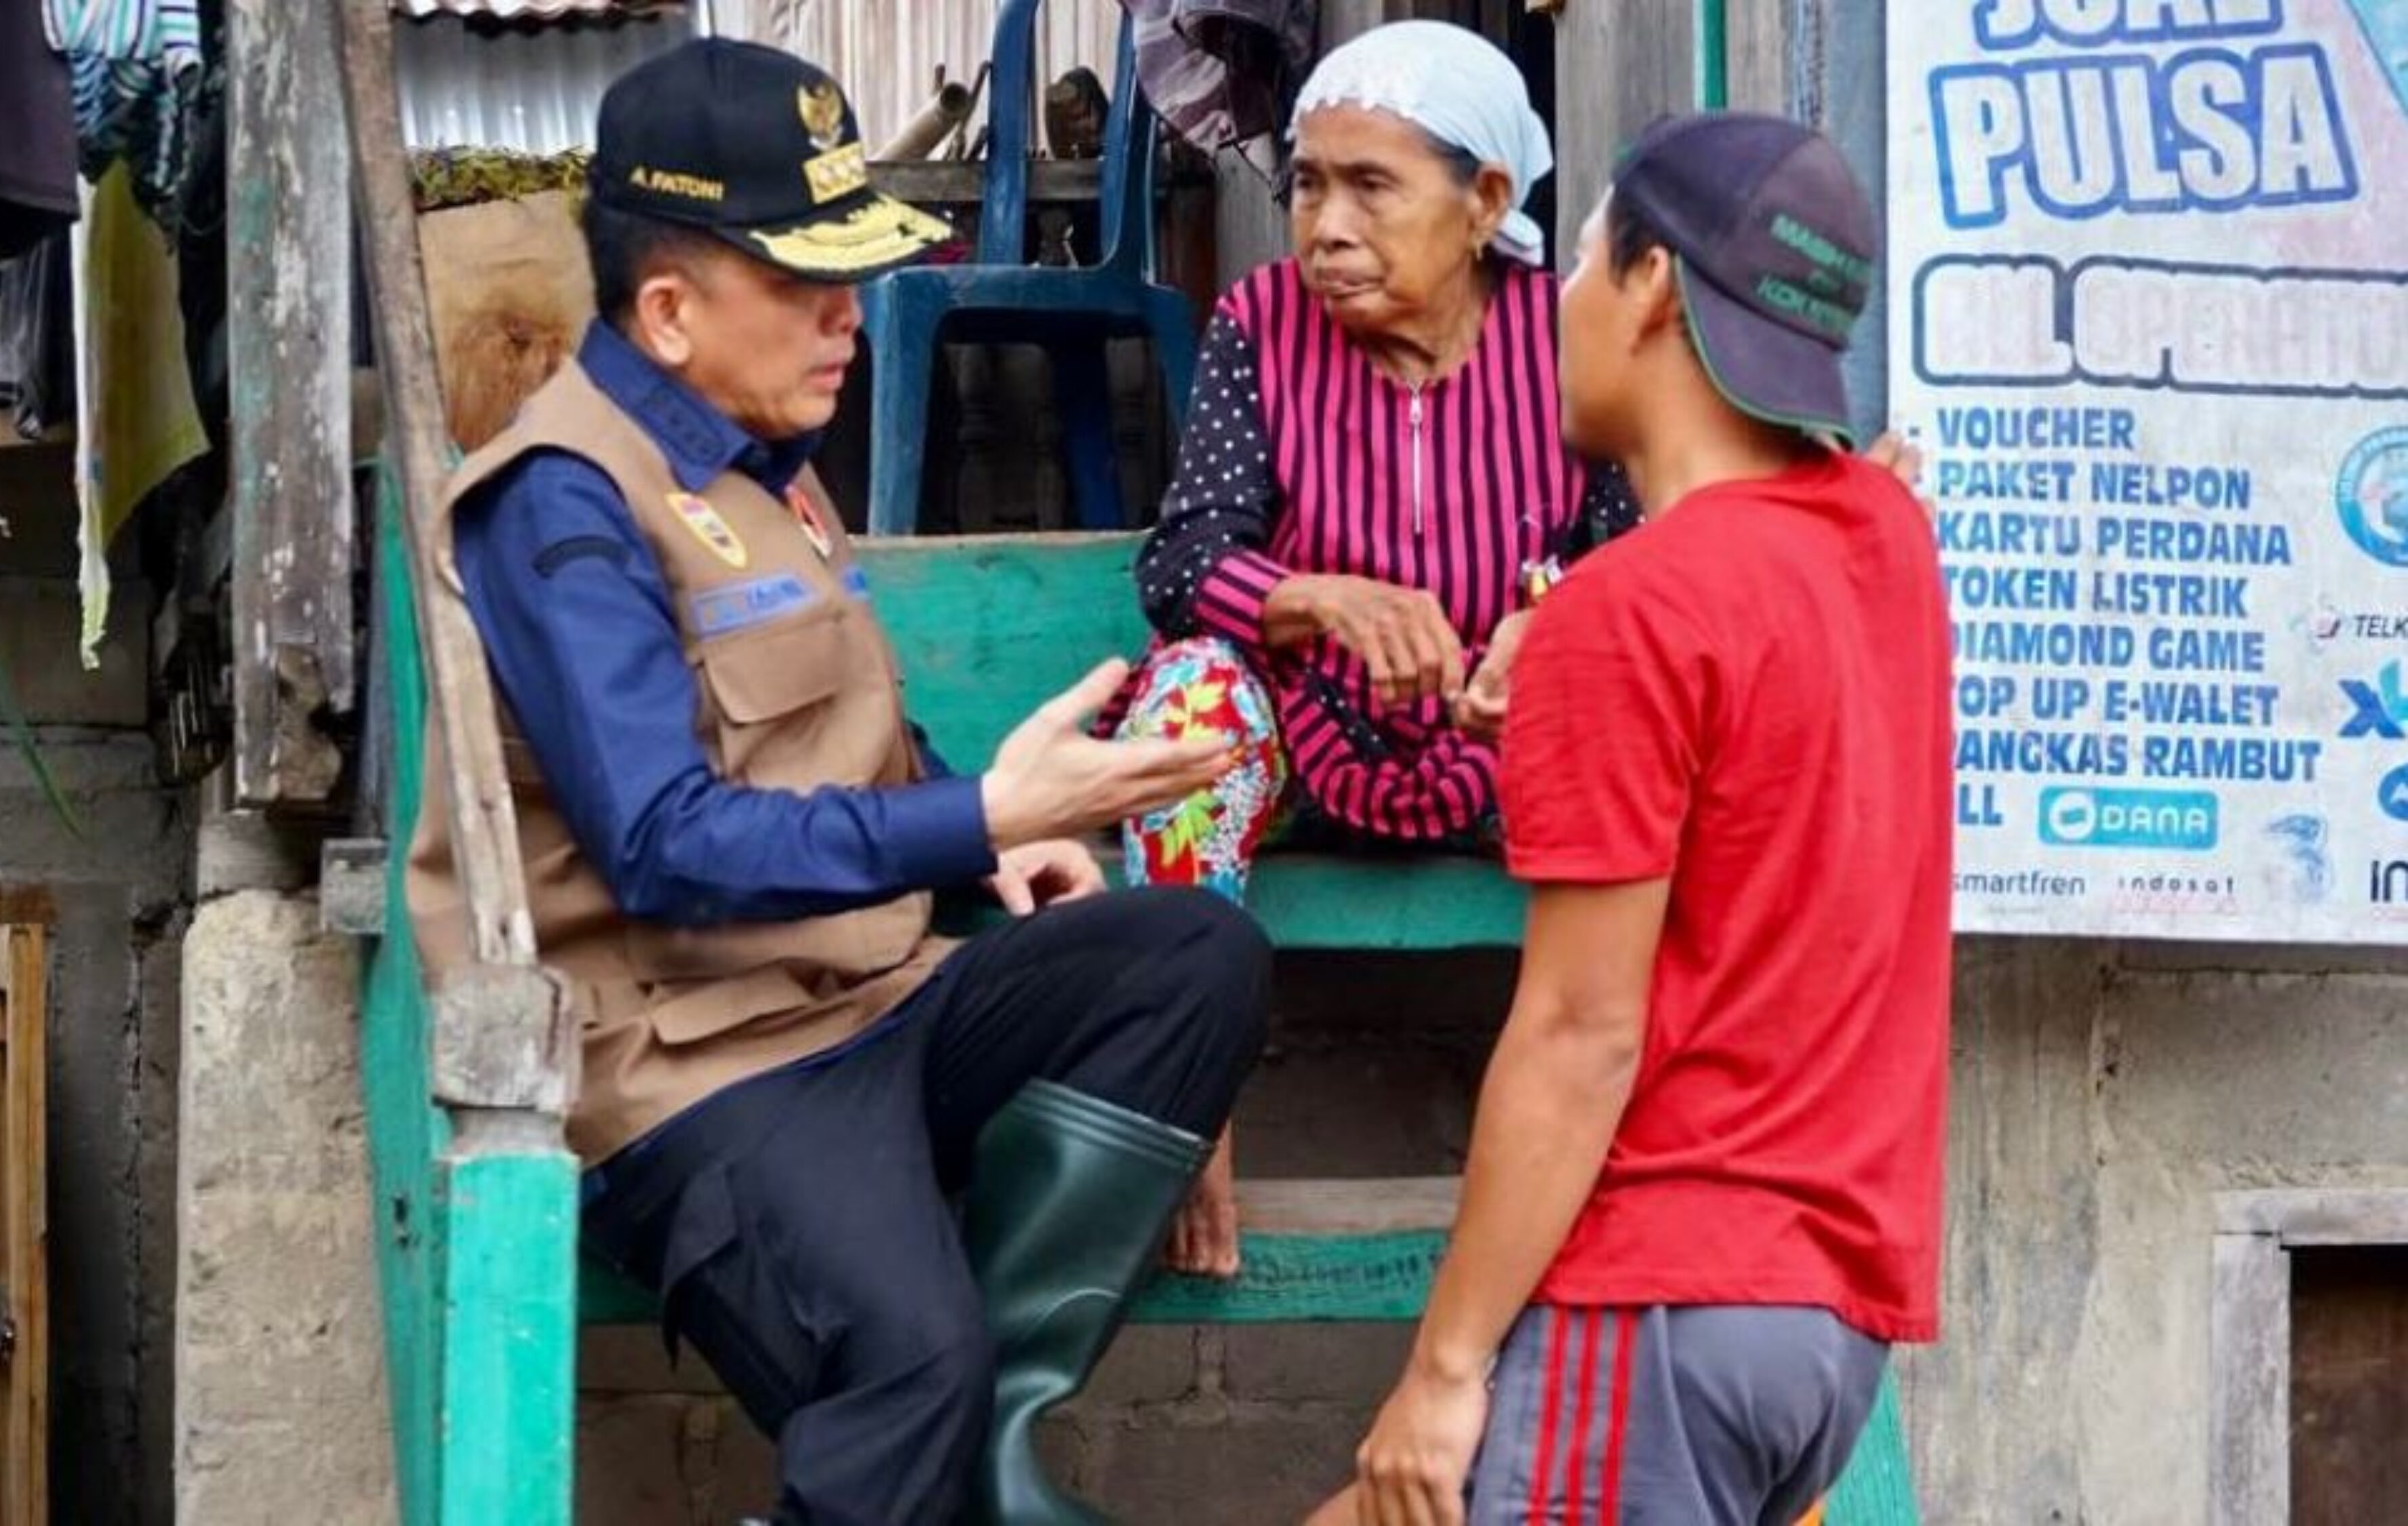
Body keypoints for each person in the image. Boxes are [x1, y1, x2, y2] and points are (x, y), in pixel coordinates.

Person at [401, 40, 1272, 1526]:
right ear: (669, 312)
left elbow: (830, 732)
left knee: (1192, 956)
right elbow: (662, 840)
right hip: (692, 1062)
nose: (847, 317)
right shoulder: (561, 505)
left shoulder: (763, 460)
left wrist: (988, 843)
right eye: (805, 284)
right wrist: (985, 814)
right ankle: (946, 1424)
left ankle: (991, 1439)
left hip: (871, 998)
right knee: (906, 1364)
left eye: (850, 276)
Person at [1119, 19, 1917, 1278]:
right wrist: (1319, 600)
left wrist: (1549, 636)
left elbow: (1644, 558)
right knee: (1187, 706)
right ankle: (1184, 1106)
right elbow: (1183, 563)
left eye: (1371, 187)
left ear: (1487, 201)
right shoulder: (1260, 326)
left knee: (1695, 755)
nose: (1326, 227)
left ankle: (1679, 1156)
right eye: (1309, 186)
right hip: (1306, 738)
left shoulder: (1573, 341)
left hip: (1506, 749)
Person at [1313, 112, 1954, 1526]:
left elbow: (1578, 1036)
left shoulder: (1628, 613)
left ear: (1652, 285)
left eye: (1584, 258)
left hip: (1658, 1298)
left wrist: (1443, 1367)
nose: (1557, 302)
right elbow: (1760, 760)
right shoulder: (1887, 542)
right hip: (1821, 1327)